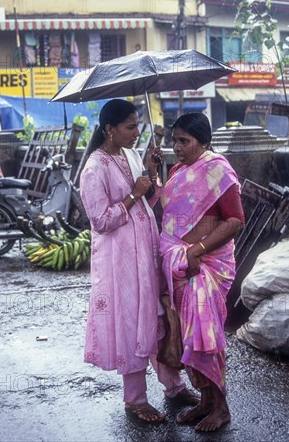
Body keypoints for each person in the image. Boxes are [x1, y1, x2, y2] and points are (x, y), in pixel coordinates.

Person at [79, 99, 199, 423]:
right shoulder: (94, 167)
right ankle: (135, 399)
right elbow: (101, 221)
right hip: (120, 263)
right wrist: (133, 193)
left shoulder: (130, 155)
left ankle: (173, 386)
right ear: (110, 129)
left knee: (158, 317)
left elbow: (148, 201)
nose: (136, 132)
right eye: (130, 127)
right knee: (131, 322)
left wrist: (151, 174)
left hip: (146, 253)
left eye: (137, 125)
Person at [159, 112, 245, 433]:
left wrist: (196, 250)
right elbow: (171, 215)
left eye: (185, 141)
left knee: (206, 337)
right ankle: (206, 402)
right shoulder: (178, 170)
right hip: (182, 266)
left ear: (204, 142)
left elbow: (235, 221)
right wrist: (154, 172)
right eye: (175, 140)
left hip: (208, 266)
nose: (177, 147)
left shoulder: (218, 171)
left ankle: (221, 408)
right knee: (191, 336)